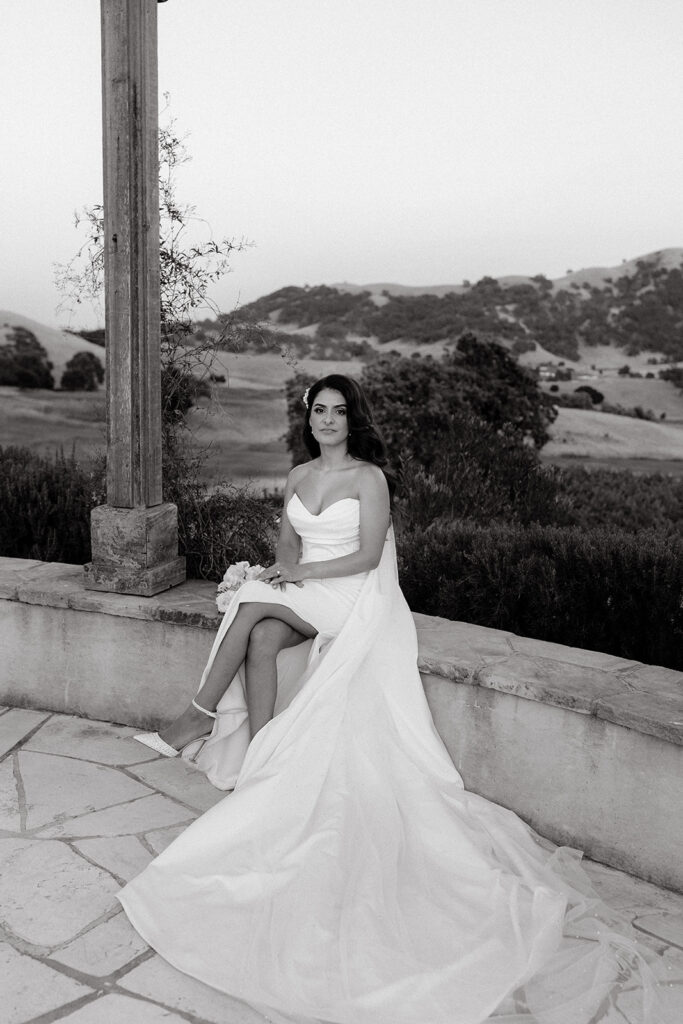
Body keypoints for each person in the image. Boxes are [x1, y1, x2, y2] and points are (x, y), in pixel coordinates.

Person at [120, 375, 671, 1024]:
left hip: (354, 599)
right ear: (308, 418)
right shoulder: (298, 478)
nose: (327, 419)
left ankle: (196, 718)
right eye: (318, 410)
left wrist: (289, 578)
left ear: (353, 419)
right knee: (263, 630)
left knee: (249, 610)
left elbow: (360, 559)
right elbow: (288, 552)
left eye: (338, 411)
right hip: (304, 594)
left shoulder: (368, 478)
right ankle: (264, 754)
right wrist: (273, 572)